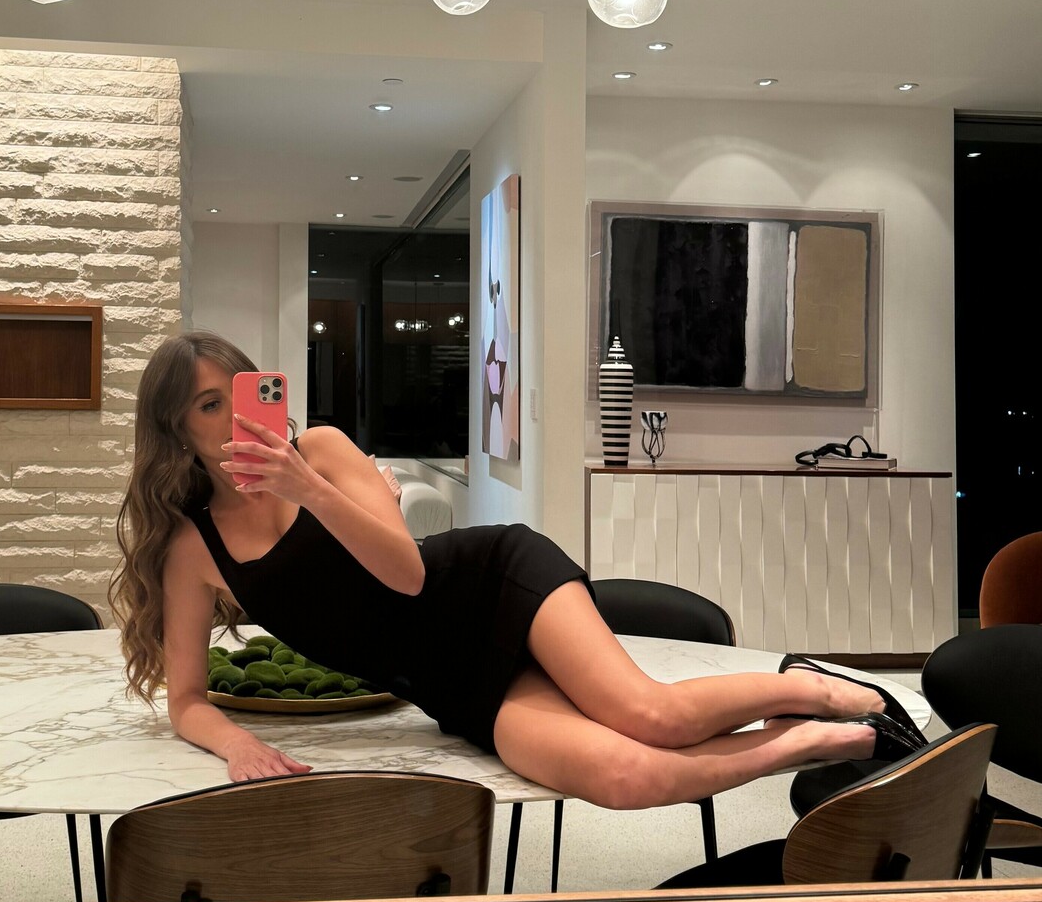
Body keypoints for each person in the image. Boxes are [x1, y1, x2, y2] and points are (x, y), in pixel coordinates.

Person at [110, 332, 924, 806]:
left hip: (491, 582)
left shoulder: (318, 451)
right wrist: (237, 746)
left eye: (237, 392)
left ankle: (808, 684)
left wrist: (306, 489)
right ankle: (806, 742)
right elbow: (187, 698)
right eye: (207, 405)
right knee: (623, 775)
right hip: (448, 679)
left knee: (652, 715)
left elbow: (407, 575)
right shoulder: (193, 548)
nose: (232, 416)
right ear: (176, 429)